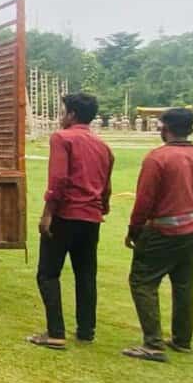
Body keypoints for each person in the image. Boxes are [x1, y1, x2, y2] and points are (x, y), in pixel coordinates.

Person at [122, 108, 193, 362]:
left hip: (163, 231)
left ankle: (152, 344)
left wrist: (134, 229)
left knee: (142, 282)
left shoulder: (158, 158)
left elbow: (145, 200)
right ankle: (182, 340)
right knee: (184, 284)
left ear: (165, 128)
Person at [29, 93, 114, 350]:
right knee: (86, 273)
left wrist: (47, 213)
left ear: (72, 114)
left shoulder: (62, 138)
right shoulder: (103, 146)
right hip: (91, 217)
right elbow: (106, 186)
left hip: (65, 215)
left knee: (47, 273)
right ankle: (86, 330)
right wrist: (102, 208)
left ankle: (55, 332)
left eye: (63, 111)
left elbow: (59, 181)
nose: (60, 116)